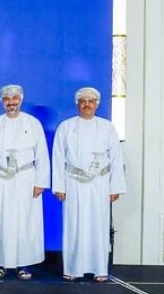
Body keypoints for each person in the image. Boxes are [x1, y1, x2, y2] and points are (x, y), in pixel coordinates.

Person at [52, 87, 126, 282]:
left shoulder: (107, 127)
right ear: (77, 104)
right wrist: (59, 186)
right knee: (73, 225)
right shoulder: (66, 127)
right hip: (73, 183)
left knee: (98, 225)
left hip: (99, 184)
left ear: (96, 104)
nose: (87, 105)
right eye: (83, 101)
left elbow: (116, 158)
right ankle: (72, 268)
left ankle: (99, 268)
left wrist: (115, 186)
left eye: (90, 101)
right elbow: (58, 157)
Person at [0, 84, 49, 279]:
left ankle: (23, 264)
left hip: (25, 178)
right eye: (7, 99)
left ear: (21, 99)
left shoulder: (33, 123)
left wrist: (40, 182)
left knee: (25, 220)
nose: (11, 102)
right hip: (0, 178)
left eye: (15, 98)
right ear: (1, 102)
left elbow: (42, 154)